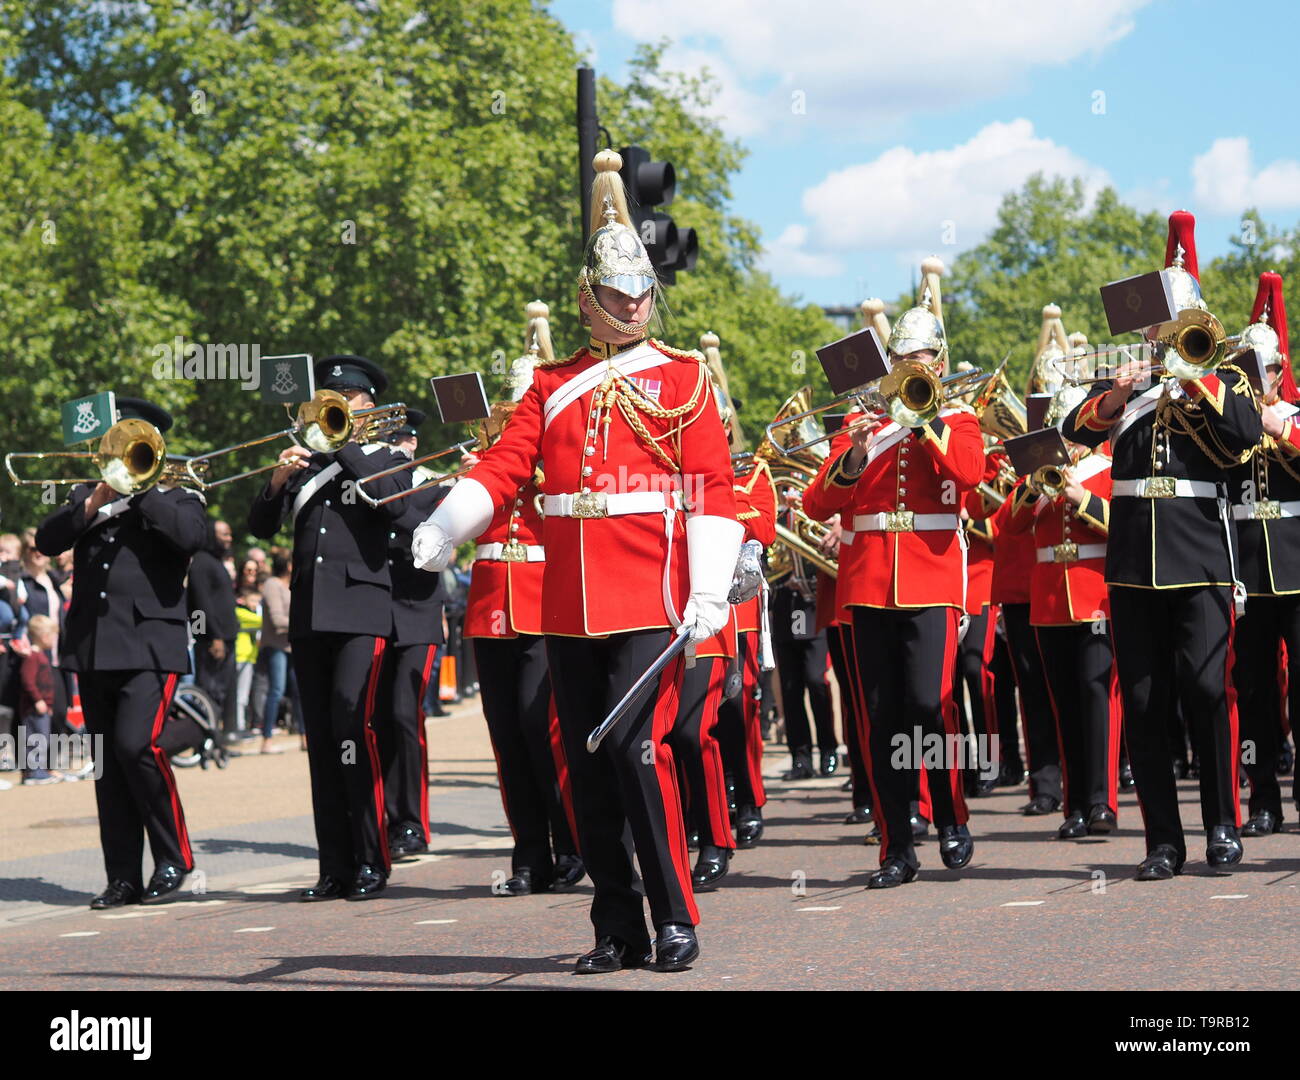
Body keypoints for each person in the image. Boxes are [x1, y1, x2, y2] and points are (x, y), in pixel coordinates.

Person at [414, 150, 740, 973]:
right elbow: (505, 465)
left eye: (640, 295)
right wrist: (450, 521)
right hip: (568, 603)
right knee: (586, 767)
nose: (631, 307)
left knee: (637, 750)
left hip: (651, 597)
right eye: (616, 296)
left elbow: (712, 488)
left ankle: (674, 913)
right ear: (589, 301)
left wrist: (708, 588)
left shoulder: (683, 379)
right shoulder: (551, 385)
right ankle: (616, 925)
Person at [1062, 210, 1260, 879]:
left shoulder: (1224, 372)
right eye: (1152, 324)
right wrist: (1119, 395)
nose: (1155, 334)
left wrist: (1190, 374)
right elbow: (1075, 429)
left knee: (1207, 690)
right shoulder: (1134, 380)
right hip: (1132, 562)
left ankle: (1223, 826)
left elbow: (1242, 434)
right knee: (1144, 704)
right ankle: (1163, 842)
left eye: (1166, 323)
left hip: (1200, 552)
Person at [802, 257, 983, 888]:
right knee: (879, 717)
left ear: (938, 360)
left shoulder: (958, 420)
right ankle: (896, 846)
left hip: (931, 582)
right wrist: (852, 456)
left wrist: (925, 419)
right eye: (902, 359)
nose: (912, 368)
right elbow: (819, 503)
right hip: (869, 583)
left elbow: (968, 477)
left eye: (922, 359)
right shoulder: (862, 426)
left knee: (930, 706)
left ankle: (952, 816)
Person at [248, 356, 412, 901]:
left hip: (362, 612)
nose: (337, 404)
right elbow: (259, 525)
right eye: (330, 397)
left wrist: (342, 444)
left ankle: (371, 859)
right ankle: (334, 866)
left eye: (348, 399)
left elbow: (398, 508)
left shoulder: (384, 455)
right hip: (310, 614)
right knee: (320, 740)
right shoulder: (306, 461)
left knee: (354, 729)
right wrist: (276, 481)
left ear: (368, 406)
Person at [35, 396, 206, 907]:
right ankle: (124, 876)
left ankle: (176, 859)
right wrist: (90, 503)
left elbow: (190, 538)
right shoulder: (88, 495)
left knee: (140, 746)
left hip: (151, 643)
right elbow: (47, 540)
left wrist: (141, 490)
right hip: (93, 645)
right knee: (109, 764)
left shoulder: (178, 491)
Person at [460, 304, 582, 893]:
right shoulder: (487, 460)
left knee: (546, 732)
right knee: (507, 738)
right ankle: (529, 854)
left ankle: (574, 846)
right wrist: (472, 478)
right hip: (491, 608)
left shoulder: (559, 456)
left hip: (540, 602)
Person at [1004, 441, 1120, 839]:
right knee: (1064, 704)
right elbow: (1009, 523)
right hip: (1051, 601)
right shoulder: (1036, 477)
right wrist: (1034, 487)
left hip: (1096, 598)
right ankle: (1074, 807)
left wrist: (1081, 496)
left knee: (1096, 694)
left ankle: (1102, 800)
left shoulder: (1106, 468)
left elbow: (1123, 524)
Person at [1227, 271, 1297, 836]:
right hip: (1246, 575)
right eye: (1246, 372)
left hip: (1297, 571)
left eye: (1265, 371)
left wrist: (1282, 431)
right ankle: (1263, 798)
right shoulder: (1229, 427)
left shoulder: (1294, 419)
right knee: (1251, 692)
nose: (1258, 380)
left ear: (1279, 372)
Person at [373, 408, 448, 858]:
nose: (395, 447)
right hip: (375, 608)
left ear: (413, 443)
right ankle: (382, 815)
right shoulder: (374, 478)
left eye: (400, 440)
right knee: (376, 718)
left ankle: (410, 821)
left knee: (404, 714)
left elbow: (411, 520)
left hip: (417, 610)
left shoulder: (435, 482)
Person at [188, 520, 239, 738]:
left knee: (222, 692)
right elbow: (199, 603)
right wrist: (211, 637)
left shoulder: (216, 562)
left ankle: (219, 739)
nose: (229, 538)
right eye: (224, 534)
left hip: (226, 637)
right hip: (213, 640)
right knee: (209, 692)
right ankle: (204, 740)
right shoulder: (200, 563)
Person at [258, 553, 295, 750]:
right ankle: (267, 738)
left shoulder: (293, 583)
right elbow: (277, 619)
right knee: (276, 690)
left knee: (298, 691)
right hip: (275, 646)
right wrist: (304, 624)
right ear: (288, 565)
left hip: (292, 645)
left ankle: (305, 737)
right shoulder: (273, 584)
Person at [18, 615, 60, 784]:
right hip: (33, 709)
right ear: (44, 637)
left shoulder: (41, 656)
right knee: (35, 739)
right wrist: (38, 700)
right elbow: (27, 680)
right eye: (52, 636)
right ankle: (33, 772)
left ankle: (39, 770)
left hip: (42, 708)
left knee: (43, 738)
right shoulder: (32, 657)